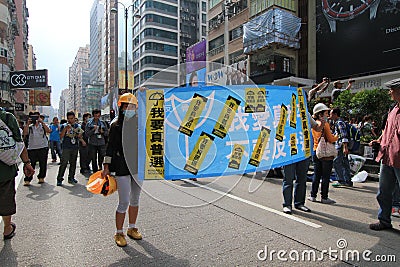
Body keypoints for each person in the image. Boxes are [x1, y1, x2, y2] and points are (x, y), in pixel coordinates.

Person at [102, 93, 143, 247]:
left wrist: (144, 95)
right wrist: (106, 166)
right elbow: (110, 147)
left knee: (135, 199)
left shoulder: (140, 123)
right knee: (124, 201)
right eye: (126, 106)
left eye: (132, 106)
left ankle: (132, 228)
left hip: (137, 165)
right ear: (121, 107)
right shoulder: (115, 125)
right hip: (121, 166)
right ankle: (119, 232)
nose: (129, 109)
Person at [369, 78, 400, 230]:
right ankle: (384, 221)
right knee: (383, 192)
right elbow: (387, 130)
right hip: (387, 157)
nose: (390, 92)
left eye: (392, 89)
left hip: (399, 158)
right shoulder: (392, 110)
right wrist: (379, 140)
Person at [0, 110, 35, 240]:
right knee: (6, 198)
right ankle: (7, 228)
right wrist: (27, 163)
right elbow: (19, 143)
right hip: (5, 169)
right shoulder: (7, 118)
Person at [282, 111, 323, 214]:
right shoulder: (285, 111)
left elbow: (316, 128)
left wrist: (323, 121)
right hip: (289, 151)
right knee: (289, 179)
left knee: (302, 178)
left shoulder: (306, 113)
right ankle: (287, 204)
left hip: (304, 152)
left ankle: (299, 203)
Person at [308, 103, 338, 204]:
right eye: (326, 112)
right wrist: (337, 136)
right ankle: (324, 197)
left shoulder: (314, 124)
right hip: (325, 153)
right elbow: (330, 138)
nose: (328, 114)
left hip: (316, 151)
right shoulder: (325, 124)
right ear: (320, 114)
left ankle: (313, 195)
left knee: (316, 175)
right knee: (325, 176)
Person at [56, 111, 86, 186]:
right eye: (69, 118)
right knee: (64, 163)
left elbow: (79, 136)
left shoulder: (77, 126)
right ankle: (59, 179)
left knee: (73, 163)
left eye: (72, 118)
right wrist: (65, 129)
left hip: (74, 147)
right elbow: (60, 136)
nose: (70, 120)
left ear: (74, 118)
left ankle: (71, 177)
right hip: (66, 147)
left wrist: (81, 138)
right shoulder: (64, 125)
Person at [23, 111, 51, 186]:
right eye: (33, 117)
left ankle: (41, 177)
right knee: (30, 164)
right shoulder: (29, 126)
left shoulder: (42, 125)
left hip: (43, 147)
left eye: (36, 117)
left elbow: (48, 131)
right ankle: (28, 178)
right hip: (31, 148)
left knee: (43, 163)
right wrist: (28, 124)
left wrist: (42, 122)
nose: (35, 119)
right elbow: (25, 133)